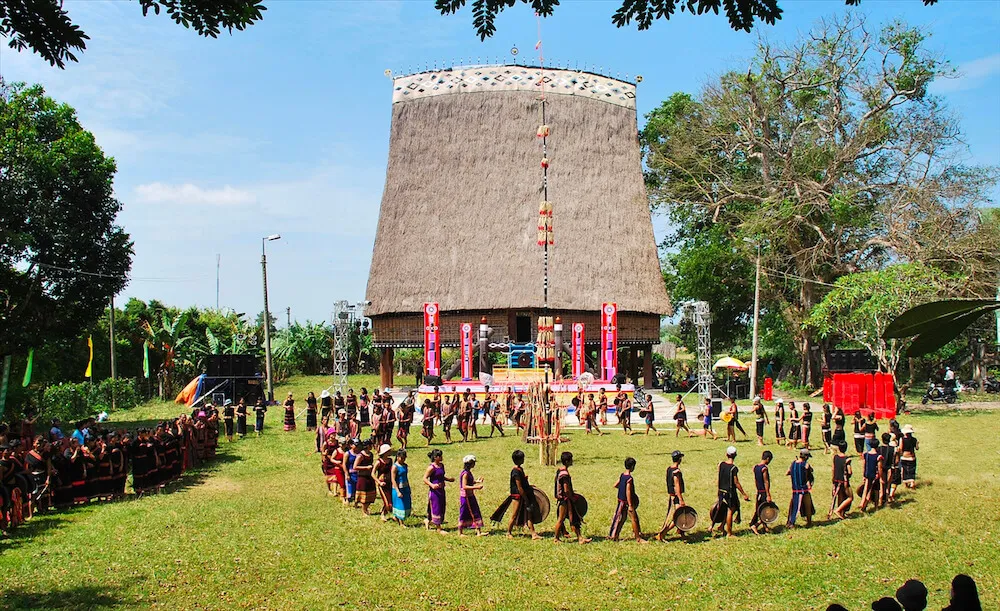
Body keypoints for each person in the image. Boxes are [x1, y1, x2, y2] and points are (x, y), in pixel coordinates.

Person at [490, 450, 541, 540]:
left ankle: (533, 534)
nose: (523, 460)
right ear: (518, 460)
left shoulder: (520, 469)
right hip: (517, 496)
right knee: (514, 515)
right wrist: (525, 498)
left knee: (528, 514)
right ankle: (508, 532)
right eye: (522, 458)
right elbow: (519, 487)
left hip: (523, 495)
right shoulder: (515, 472)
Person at [711, 446, 750, 538]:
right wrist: (744, 494)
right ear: (735, 455)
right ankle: (729, 533)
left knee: (733, 507)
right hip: (730, 492)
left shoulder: (721, 464)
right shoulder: (733, 468)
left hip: (721, 490)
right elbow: (736, 482)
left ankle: (721, 526)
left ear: (726, 454)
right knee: (730, 510)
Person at [553, 451, 590, 544]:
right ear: (567, 461)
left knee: (574, 518)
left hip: (566, 499)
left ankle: (580, 538)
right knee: (561, 519)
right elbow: (566, 489)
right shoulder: (564, 474)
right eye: (571, 460)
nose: (572, 461)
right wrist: (572, 498)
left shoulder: (560, 471)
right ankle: (556, 539)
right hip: (565, 500)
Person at [609, 457, 644, 542]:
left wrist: (621, 488)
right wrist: (630, 505)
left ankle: (615, 536)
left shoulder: (622, 475)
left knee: (621, 519)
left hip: (621, 500)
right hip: (626, 502)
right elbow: (628, 491)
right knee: (633, 519)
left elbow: (616, 485)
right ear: (632, 467)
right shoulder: (629, 478)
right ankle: (638, 538)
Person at [655, 450, 686, 541]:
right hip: (676, 497)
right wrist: (681, 499)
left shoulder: (669, 468)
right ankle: (662, 534)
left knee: (678, 514)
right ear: (679, 459)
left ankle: (680, 531)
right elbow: (677, 486)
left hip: (672, 495)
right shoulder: (676, 471)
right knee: (677, 517)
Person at [423, 449, 453, 534]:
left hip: (441, 490)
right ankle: (438, 528)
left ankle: (427, 520)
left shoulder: (441, 465)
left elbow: (441, 476)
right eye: (440, 456)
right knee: (436, 507)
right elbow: (424, 478)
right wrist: (432, 485)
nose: (442, 457)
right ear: (435, 457)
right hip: (434, 492)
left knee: (441, 506)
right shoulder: (431, 468)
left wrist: (448, 479)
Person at [457, 454, 487, 536]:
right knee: (464, 513)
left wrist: (476, 481)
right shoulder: (465, 474)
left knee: (475, 512)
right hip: (466, 497)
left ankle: (478, 531)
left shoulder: (468, 472)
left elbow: (469, 482)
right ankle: (460, 532)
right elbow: (464, 486)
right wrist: (477, 487)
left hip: (471, 496)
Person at [786, 448, 815, 528]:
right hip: (803, 488)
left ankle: (790, 521)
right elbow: (810, 472)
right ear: (805, 457)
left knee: (794, 505)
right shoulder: (805, 464)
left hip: (795, 489)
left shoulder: (793, 463)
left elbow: (787, 472)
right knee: (807, 505)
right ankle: (808, 522)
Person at [749, 451, 773, 534]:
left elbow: (756, 480)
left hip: (759, 491)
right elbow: (766, 482)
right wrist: (768, 494)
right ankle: (755, 525)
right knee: (765, 510)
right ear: (767, 459)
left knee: (759, 509)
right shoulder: (764, 469)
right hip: (763, 492)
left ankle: (765, 527)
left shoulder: (755, 467)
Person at [828, 441, 853, 520]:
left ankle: (841, 513)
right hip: (844, 480)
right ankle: (838, 510)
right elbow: (849, 471)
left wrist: (833, 478)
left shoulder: (835, 457)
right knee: (850, 497)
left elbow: (833, 468)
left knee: (840, 497)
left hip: (836, 479)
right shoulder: (847, 459)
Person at [859, 438, 883, 512]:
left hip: (867, 474)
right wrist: (880, 476)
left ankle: (862, 503)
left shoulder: (866, 454)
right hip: (875, 475)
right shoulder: (878, 456)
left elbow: (864, 465)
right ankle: (874, 505)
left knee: (866, 490)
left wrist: (864, 475)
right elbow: (880, 468)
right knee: (875, 490)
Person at [354, 440, 376, 514]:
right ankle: (364, 511)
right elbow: (355, 466)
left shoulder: (371, 454)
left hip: (369, 476)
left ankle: (366, 508)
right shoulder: (360, 456)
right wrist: (366, 467)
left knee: (371, 492)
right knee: (363, 494)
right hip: (362, 477)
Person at [391, 448, 411, 525]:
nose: (403, 460)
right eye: (402, 458)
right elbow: (393, 479)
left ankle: (396, 517)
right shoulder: (395, 467)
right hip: (398, 489)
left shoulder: (405, 466)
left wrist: (408, 487)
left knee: (406, 504)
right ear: (398, 457)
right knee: (400, 505)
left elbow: (406, 477)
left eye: (404, 458)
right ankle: (401, 523)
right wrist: (398, 491)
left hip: (405, 487)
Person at [374, 444, 394, 521]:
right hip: (382, 484)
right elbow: (373, 473)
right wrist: (379, 482)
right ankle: (383, 514)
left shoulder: (390, 461)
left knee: (390, 500)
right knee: (386, 501)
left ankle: (385, 512)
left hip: (389, 482)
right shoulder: (379, 462)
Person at [878, 432, 899, 506]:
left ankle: (880, 501)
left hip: (881, 468)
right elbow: (896, 461)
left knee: (881, 485)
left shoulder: (878, 449)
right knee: (888, 486)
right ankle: (886, 501)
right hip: (890, 468)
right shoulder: (893, 449)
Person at [899, 424, 918, 489]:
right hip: (912, 457)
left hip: (904, 456)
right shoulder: (914, 439)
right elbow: (917, 448)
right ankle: (912, 483)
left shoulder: (902, 439)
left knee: (904, 470)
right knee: (912, 470)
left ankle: (905, 484)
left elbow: (901, 448)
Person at [343, 438, 361, 505]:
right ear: (351, 445)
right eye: (355, 445)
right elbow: (344, 464)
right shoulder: (347, 454)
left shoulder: (359, 454)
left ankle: (356, 501)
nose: (357, 447)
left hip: (358, 473)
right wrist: (347, 474)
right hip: (350, 473)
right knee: (350, 487)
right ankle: (348, 500)